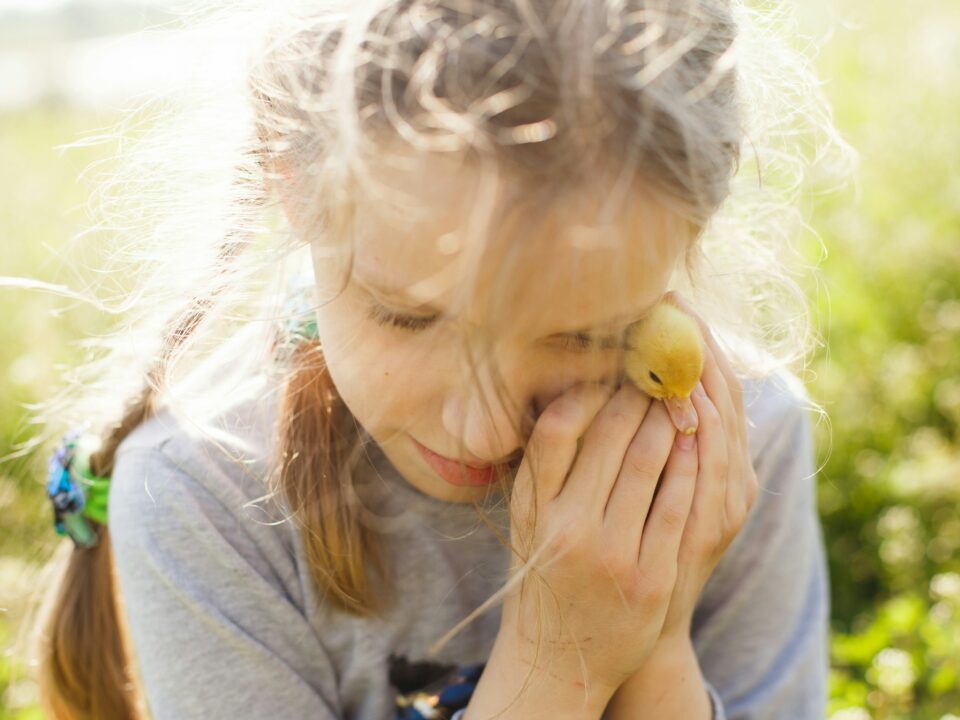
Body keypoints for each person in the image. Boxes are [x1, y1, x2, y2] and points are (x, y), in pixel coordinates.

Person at [24, 0, 852, 718]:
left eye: (583, 335)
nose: (483, 429)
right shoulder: (206, 497)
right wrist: (555, 669)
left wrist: (658, 642)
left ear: (692, 224)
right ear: (291, 180)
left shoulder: (735, 452)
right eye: (406, 317)